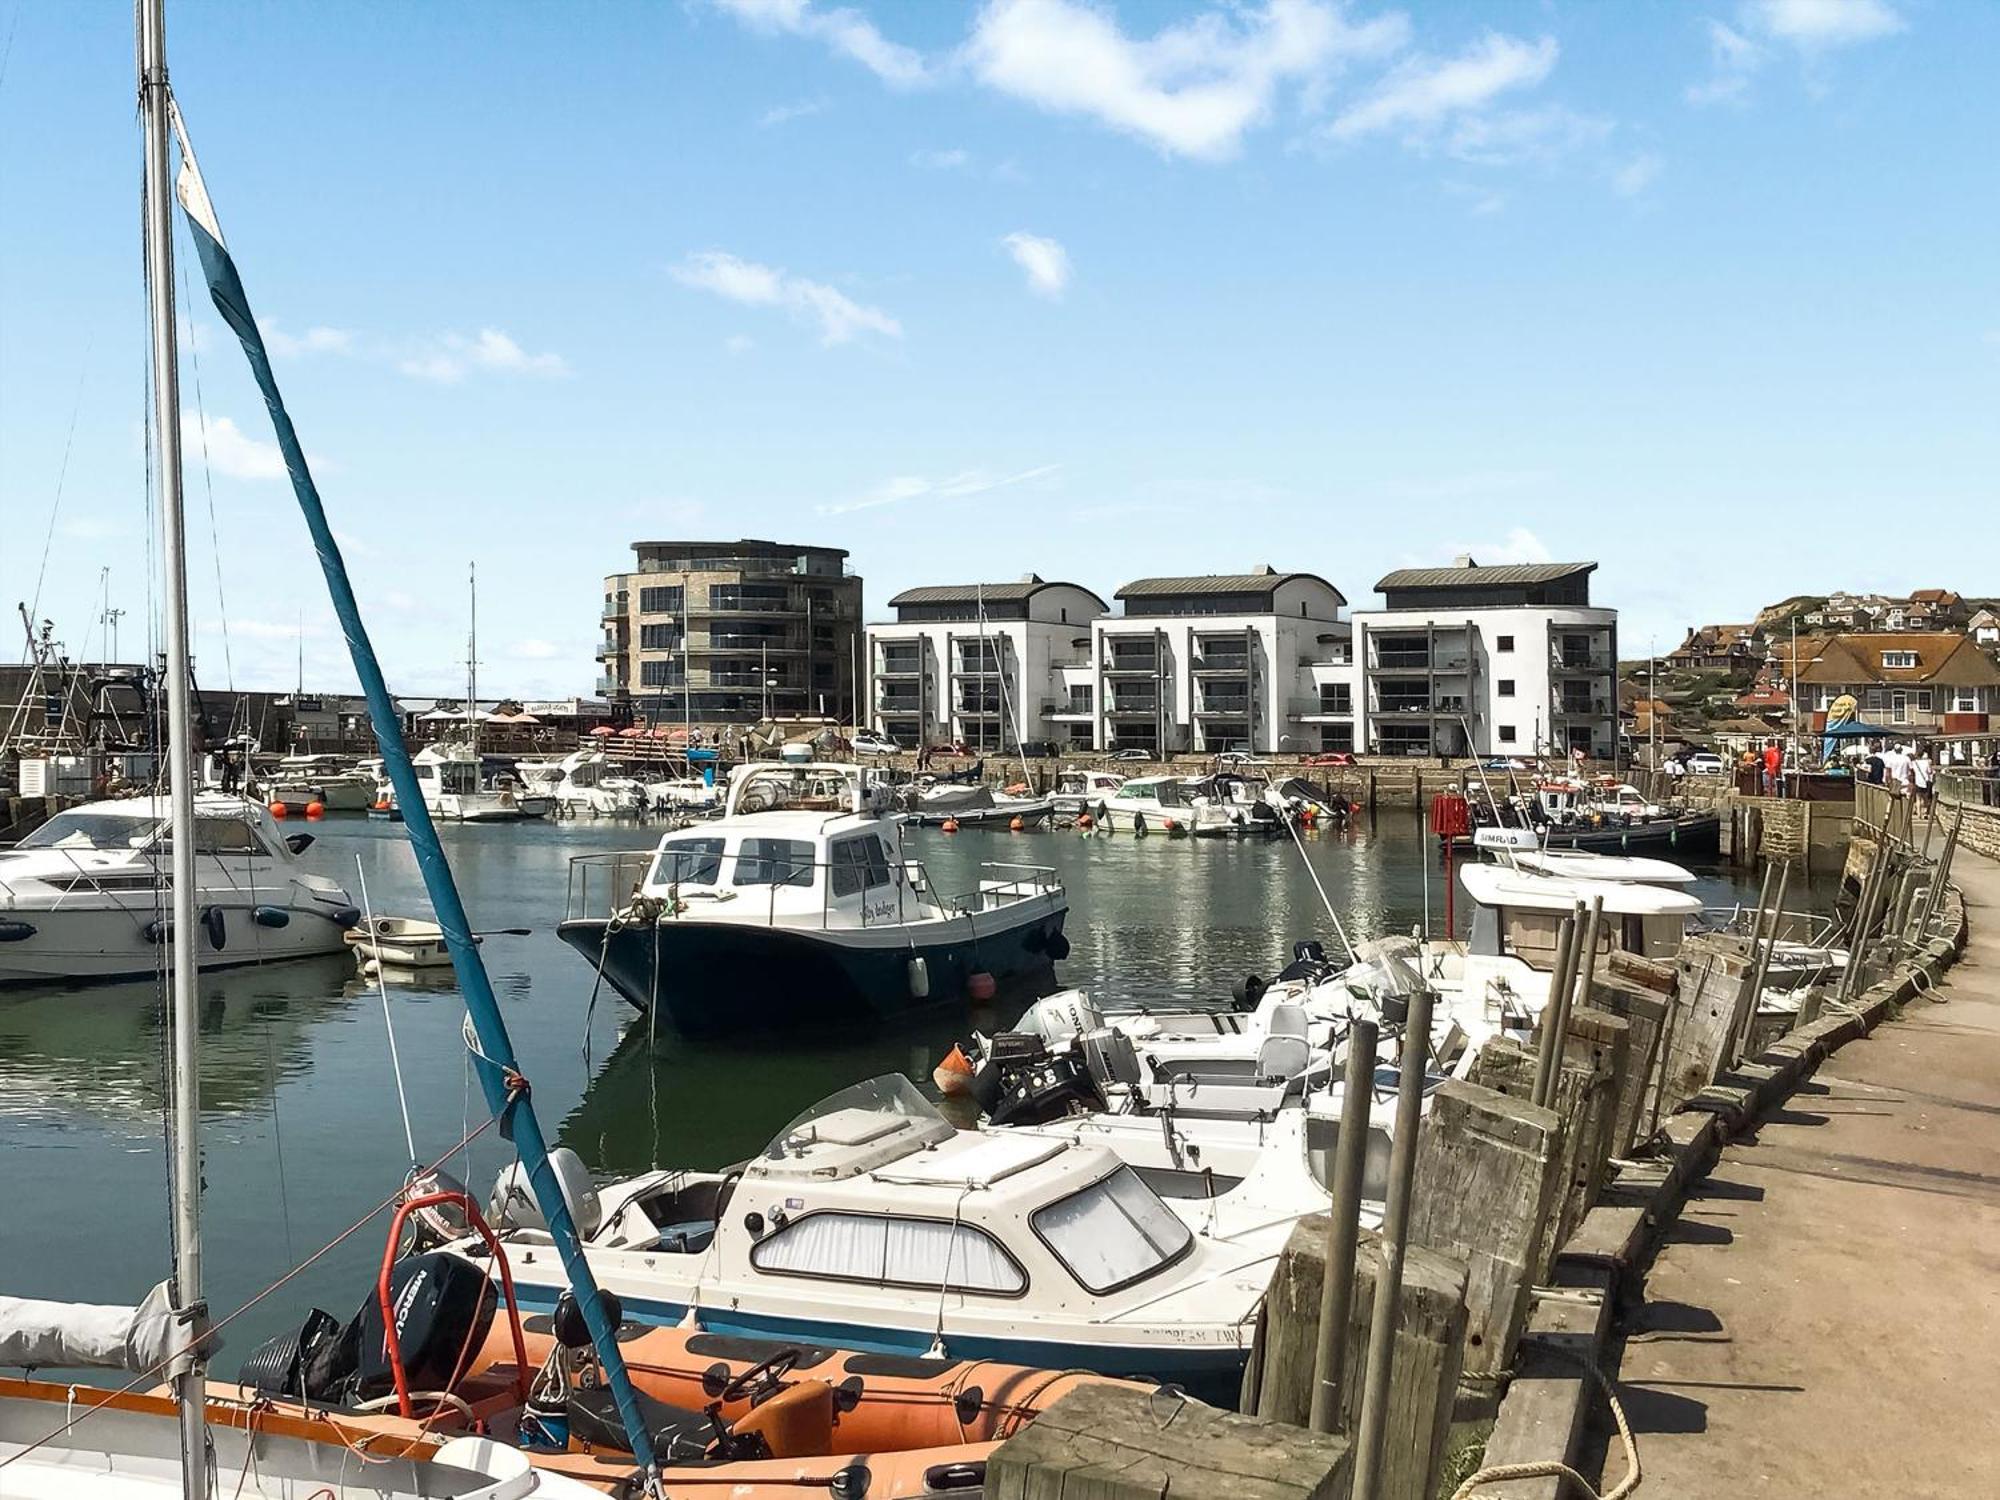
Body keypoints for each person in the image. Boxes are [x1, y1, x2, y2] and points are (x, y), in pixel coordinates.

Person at [1912, 744, 1936, 813]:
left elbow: (1913, 771)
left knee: (1918, 798)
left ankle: (1919, 814)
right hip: (1925, 781)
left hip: (1917, 781)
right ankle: (1925, 812)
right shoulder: (1926, 762)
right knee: (1925, 798)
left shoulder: (1914, 762)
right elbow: (1930, 771)